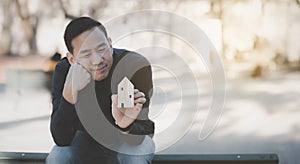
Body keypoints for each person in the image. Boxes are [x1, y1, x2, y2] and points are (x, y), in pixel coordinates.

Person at [46, 17, 155, 164]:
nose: (97, 60)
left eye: (101, 49)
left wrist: (125, 124)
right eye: (86, 54)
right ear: (72, 59)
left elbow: (138, 138)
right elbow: (61, 139)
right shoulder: (64, 71)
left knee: (134, 156)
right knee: (58, 156)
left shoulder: (134, 66)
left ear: (110, 43)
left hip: (129, 138)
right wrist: (69, 94)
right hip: (86, 139)